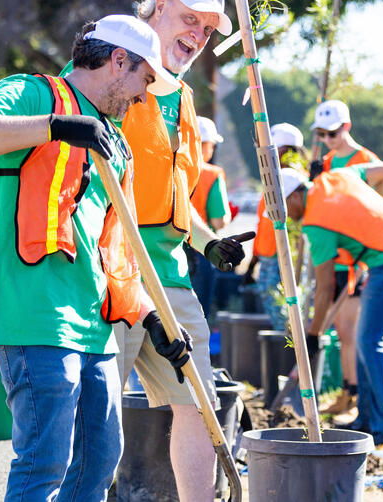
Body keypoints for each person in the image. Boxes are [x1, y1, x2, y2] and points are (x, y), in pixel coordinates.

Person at [0, 15, 184, 500]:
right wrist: (54, 127)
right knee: (45, 463)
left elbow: (115, 250)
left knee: (99, 463)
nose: (144, 97)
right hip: (35, 317)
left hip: (96, 327)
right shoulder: (33, 94)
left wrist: (150, 316)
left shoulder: (116, 142)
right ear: (119, 60)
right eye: (144, 79)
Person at [122, 2, 253, 500]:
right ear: (155, 7)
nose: (199, 34)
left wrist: (208, 241)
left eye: (209, 27)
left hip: (170, 275)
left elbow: (176, 199)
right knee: (95, 406)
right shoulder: (105, 68)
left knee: (199, 403)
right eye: (190, 18)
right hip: (109, 272)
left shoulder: (183, 98)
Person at [282, 166, 383, 445]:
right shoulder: (336, 176)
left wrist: (314, 334)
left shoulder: (316, 223)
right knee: (365, 341)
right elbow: (380, 174)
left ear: (295, 196)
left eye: (283, 207)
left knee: (371, 341)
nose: (284, 215)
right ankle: (366, 419)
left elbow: (325, 288)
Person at [309, 99, 383, 416]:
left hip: (360, 258)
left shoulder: (364, 160)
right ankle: (349, 392)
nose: (327, 140)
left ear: (346, 127)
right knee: (342, 330)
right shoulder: (325, 162)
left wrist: (375, 231)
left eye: (332, 133)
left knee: (356, 332)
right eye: (321, 134)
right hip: (337, 256)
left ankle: (362, 398)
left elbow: (382, 190)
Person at [243, 122, 308, 330]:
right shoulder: (273, 177)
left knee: (284, 306)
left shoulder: (294, 181)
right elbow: (263, 223)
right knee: (271, 299)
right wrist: (254, 261)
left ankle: (289, 340)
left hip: (282, 255)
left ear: (285, 150)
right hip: (268, 254)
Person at [188, 115, 231, 317]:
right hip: (201, 248)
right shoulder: (212, 174)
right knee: (197, 315)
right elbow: (218, 221)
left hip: (168, 247)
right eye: (212, 145)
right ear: (203, 144)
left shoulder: (170, 167)